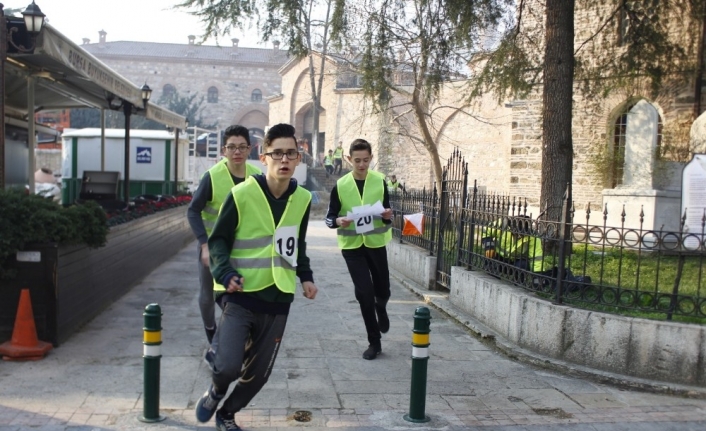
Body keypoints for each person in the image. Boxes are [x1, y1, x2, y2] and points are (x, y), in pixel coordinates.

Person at [195, 123, 318, 431]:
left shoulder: (302, 199)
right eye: (278, 153)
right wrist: (225, 272)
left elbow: (297, 243)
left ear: (299, 158)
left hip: (278, 298)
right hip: (240, 293)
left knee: (258, 375)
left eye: (292, 152)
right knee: (227, 367)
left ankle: (227, 414)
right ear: (264, 157)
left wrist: (305, 276)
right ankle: (216, 390)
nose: (285, 159)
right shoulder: (242, 194)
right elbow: (219, 240)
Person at [187, 125, 261, 344]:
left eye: (241, 147)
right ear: (223, 150)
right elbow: (193, 211)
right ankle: (211, 331)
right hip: (211, 247)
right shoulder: (212, 177)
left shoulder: (257, 178)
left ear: (249, 149)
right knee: (208, 295)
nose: (236, 152)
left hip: (242, 248)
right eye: (231, 147)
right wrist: (203, 245)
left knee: (239, 294)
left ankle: (232, 337)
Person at [325, 138, 393, 360]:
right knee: (364, 293)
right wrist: (339, 221)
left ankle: (381, 306)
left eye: (365, 160)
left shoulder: (380, 181)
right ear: (348, 159)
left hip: (376, 244)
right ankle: (374, 342)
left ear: (371, 158)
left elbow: (387, 214)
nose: (362, 165)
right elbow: (329, 218)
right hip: (352, 247)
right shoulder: (341, 185)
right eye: (357, 161)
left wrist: (387, 216)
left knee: (383, 290)